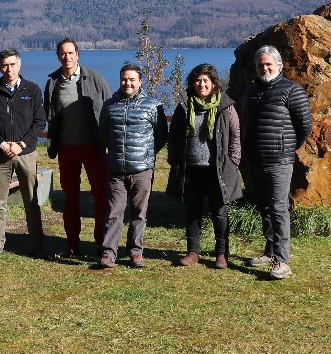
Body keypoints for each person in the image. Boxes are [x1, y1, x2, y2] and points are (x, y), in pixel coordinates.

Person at [241, 45, 312, 280]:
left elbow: (304, 127)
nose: (265, 68)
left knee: (279, 208)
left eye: (269, 64)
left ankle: (283, 261)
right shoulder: (251, 91)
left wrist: (287, 146)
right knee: (264, 206)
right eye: (261, 65)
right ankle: (270, 251)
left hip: (279, 161)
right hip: (255, 159)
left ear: (279, 66)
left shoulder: (292, 91)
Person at [167, 63, 243, 269]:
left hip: (217, 169)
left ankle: (221, 254)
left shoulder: (225, 106)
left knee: (219, 212)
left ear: (214, 83)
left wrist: (233, 160)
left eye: (206, 80)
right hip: (191, 168)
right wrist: (174, 159)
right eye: (198, 80)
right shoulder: (184, 105)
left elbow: (235, 135)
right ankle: (193, 251)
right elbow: (173, 134)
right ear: (193, 82)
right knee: (192, 211)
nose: (201, 84)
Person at [44, 38, 111, 260]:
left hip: (94, 147)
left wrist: (108, 139)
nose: (67, 57)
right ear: (58, 56)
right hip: (67, 149)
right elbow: (50, 114)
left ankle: (102, 245)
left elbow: (109, 108)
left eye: (71, 53)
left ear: (78, 54)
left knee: (101, 196)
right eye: (63, 53)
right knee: (70, 199)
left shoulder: (95, 78)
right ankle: (72, 244)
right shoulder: (53, 82)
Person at [98, 63, 167, 269]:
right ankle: (109, 253)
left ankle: (135, 252)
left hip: (142, 169)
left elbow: (161, 135)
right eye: (124, 79)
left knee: (139, 212)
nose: (127, 83)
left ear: (140, 81)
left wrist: (146, 155)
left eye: (131, 79)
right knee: (113, 212)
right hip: (116, 169)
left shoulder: (153, 106)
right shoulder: (109, 105)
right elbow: (103, 134)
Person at [0, 49, 47, 258]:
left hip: (26, 153)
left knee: (31, 200)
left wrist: (22, 144)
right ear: (0, 67)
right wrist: (0, 144)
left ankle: (37, 242)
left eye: (12, 64)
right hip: (0, 154)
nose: (8, 69)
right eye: (4, 65)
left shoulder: (32, 89)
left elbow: (39, 122)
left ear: (20, 65)